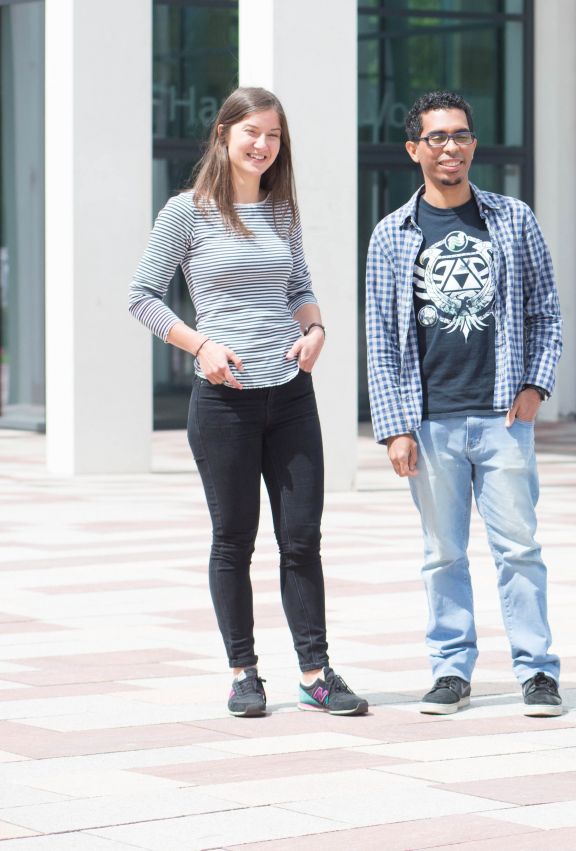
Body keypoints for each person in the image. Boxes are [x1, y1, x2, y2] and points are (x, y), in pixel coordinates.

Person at [128, 87, 368, 718]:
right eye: (252, 133)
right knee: (234, 540)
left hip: (290, 397)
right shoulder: (187, 212)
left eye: (274, 136)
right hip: (223, 402)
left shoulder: (281, 212)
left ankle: (316, 673)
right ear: (223, 134)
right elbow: (144, 297)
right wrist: (199, 344)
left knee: (302, 540)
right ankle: (243, 673)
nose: (263, 146)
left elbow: (300, 286)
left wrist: (315, 329)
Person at [364, 91, 564, 717]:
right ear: (414, 149)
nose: (450, 147)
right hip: (429, 424)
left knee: (520, 550)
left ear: (473, 144)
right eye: (437, 137)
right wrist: (395, 428)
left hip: (503, 416)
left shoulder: (513, 219)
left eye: (461, 135)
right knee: (442, 553)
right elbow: (381, 341)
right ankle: (451, 670)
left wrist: (535, 386)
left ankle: (536, 672)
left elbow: (546, 309)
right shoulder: (391, 235)